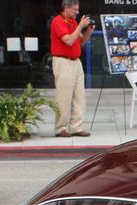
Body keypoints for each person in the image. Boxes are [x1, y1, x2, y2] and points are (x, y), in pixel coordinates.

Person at [49, 0, 94, 137]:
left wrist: (89, 30)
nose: (77, 12)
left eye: (78, 9)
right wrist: (80, 25)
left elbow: (81, 41)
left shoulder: (73, 22)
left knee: (79, 96)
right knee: (64, 96)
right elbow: (68, 40)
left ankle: (76, 127)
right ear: (66, 8)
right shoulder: (58, 21)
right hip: (63, 61)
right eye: (75, 9)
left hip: (76, 62)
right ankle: (60, 128)